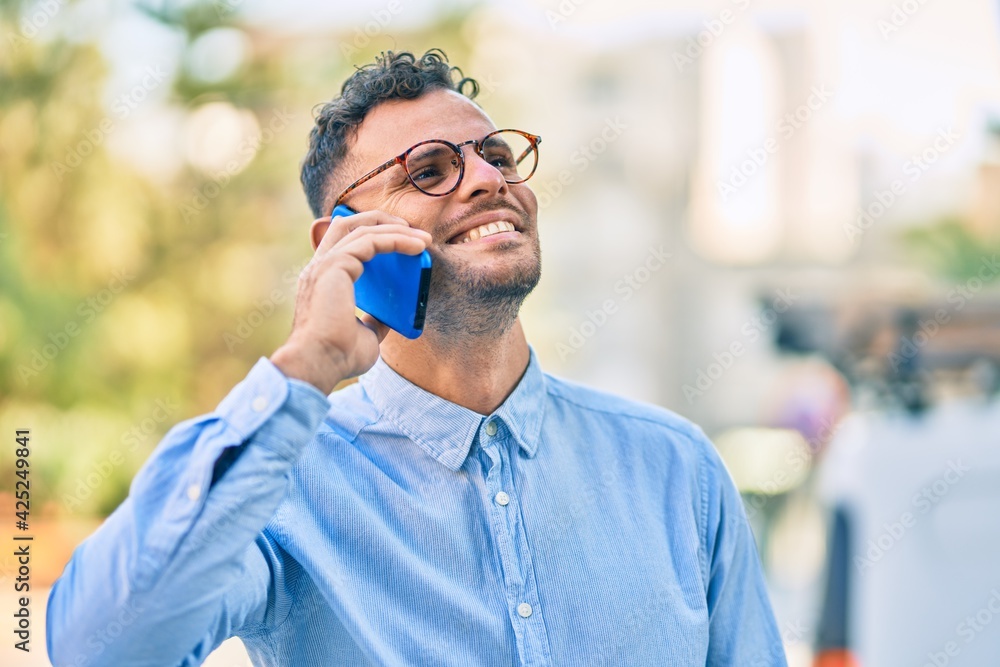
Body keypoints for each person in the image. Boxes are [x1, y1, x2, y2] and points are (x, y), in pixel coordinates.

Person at [46, 49, 787, 666]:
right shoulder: (284, 486)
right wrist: (307, 362)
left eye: (496, 156)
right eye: (428, 169)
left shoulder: (676, 469)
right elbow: (98, 645)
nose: (490, 179)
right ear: (340, 241)